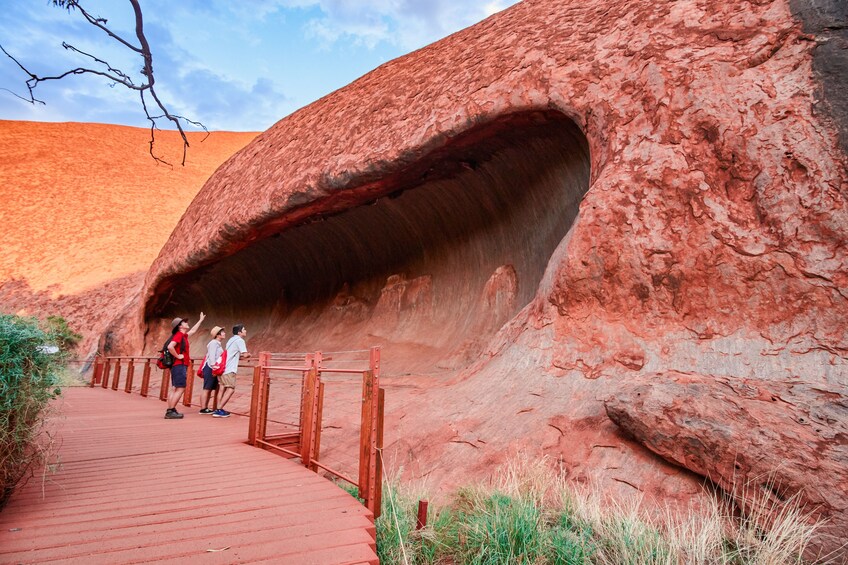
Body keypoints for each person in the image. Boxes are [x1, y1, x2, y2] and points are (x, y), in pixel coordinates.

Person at [165, 312, 205, 419]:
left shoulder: (183, 335)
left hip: (177, 366)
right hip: (179, 365)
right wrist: (178, 356)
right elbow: (170, 347)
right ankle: (170, 411)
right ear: (179, 326)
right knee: (181, 388)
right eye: (184, 322)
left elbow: (193, 331)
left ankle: (171, 410)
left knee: (174, 388)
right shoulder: (179, 335)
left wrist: (200, 320)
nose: (187, 323)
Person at [217, 324, 250, 417]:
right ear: (239, 332)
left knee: (222, 389)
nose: (245, 331)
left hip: (223, 368)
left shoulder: (231, 340)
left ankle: (218, 408)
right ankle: (219, 409)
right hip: (229, 369)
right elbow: (245, 354)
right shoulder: (240, 340)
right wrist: (249, 355)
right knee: (231, 389)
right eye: (244, 329)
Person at [199, 326, 226, 416]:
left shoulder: (217, 343)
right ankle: (203, 408)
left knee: (209, 388)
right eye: (222, 332)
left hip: (212, 367)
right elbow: (211, 356)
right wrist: (214, 368)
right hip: (210, 367)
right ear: (218, 334)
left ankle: (205, 407)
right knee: (207, 388)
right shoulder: (214, 343)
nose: (224, 333)